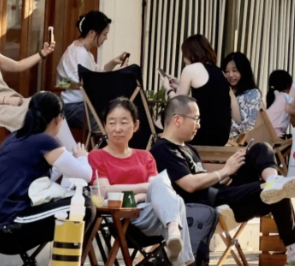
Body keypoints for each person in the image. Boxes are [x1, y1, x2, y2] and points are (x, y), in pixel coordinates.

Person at [152, 95, 295, 266]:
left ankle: (273, 180)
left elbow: (204, 176)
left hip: (221, 193)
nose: (199, 125)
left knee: (261, 149)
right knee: (274, 192)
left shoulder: (188, 148)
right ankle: (294, 253)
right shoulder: (163, 149)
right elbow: (189, 185)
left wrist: (231, 166)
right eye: (196, 119)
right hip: (208, 204)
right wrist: (225, 170)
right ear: (177, 120)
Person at [88, 97, 216, 266]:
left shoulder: (145, 156)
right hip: (120, 215)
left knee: (169, 195)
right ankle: (176, 241)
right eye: (111, 123)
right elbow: (104, 190)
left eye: (124, 122)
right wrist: (146, 189)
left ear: (135, 125)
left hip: (150, 211)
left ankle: (173, 235)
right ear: (105, 126)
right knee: (173, 200)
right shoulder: (97, 156)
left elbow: (158, 191)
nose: (117, 128)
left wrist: (142, 194)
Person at [0, 92, 92, 250]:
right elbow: (85, 175)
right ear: (58, 119)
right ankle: (66, 261)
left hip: (7, 221)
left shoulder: (14, 137)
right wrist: (82, 157)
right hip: (12, 224)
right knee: (84, 206)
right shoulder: (45, 140)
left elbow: (45, 174)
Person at [58, 11, 137, 129]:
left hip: (80, 105)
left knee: (115, 116)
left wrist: (113, 63)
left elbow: (97, 74)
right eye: (104, 34)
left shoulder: (83, 52)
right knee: (113, 120)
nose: (106, 38)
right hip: (74, 107)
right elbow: (64, 83)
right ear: (92, 33)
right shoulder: (79, 53)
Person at [165, 35, 239, 148]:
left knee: (160, 127)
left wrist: (168, 88)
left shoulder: (190, 69)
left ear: (190, 53)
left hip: (200, 133)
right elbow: (208, 95)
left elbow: (178, 104)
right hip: (221, 136)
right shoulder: (220, 72)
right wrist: (179, 84)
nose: (184, 58)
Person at [0, 38, 60, 134]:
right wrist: (7, 100)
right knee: (32, 115)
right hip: (3, 105)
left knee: (46, 102)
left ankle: (65, 147)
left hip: (10, 99)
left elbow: (18, 65)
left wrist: (43, 52)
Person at [223, 52, 264, 141]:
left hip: (240, 146)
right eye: (226, 71)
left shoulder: (253, 94)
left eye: (235, 70)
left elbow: (247, 127)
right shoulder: (221, 92)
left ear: (244, 71)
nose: (230, 75)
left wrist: (231, 95)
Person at [266, 70, 293, 137]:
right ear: (288, 86)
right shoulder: (286, 97)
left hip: (265, 134)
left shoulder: (272, 95)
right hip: (277, 137)